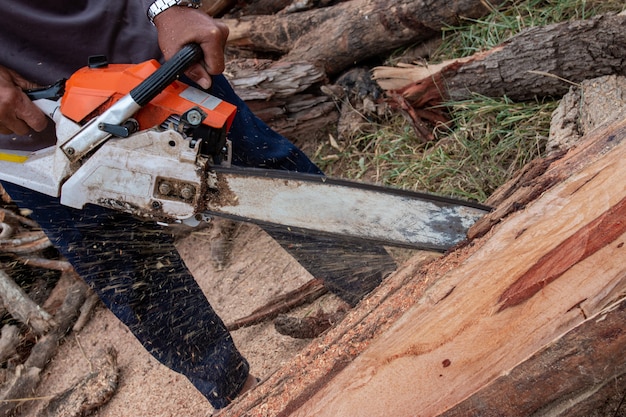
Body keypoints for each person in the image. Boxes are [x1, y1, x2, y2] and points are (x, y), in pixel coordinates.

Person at [0, 1, 397, 410]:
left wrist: (170, 7)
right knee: (128, 271)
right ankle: (240, 395)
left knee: (271, 177)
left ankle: (389, 293)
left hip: (141, 63)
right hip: (25, 145)